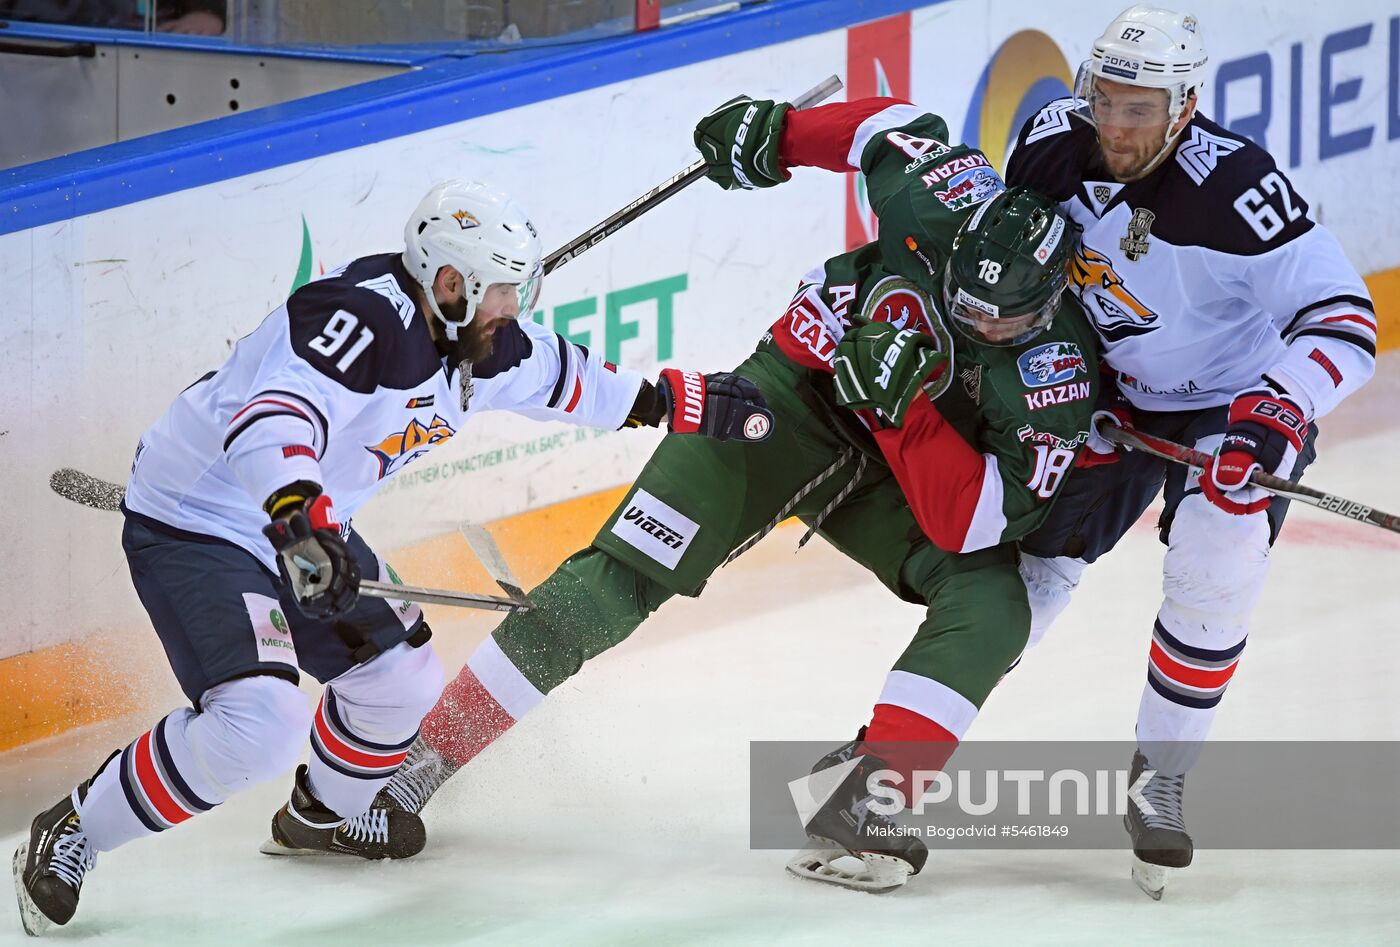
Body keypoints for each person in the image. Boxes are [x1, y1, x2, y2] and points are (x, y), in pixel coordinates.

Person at [371, 100, 1103, 891]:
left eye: (1003, 321)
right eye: (964, 303)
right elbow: (888, 127)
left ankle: (869, 797)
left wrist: (907, 415)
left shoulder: (1054, 378)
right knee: (614, 581)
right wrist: (780, 136)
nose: (979, 325)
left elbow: (971, 522)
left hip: (901, 474)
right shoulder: (938, 194)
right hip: (781, 405)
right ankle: (417, 764)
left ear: (1052, 301)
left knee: (993, 606)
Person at [10, 179, 771, 935]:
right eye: (503, 291)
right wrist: (299, 529)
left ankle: (321, 815)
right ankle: (76, 825)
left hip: (305, 523)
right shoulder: (357, 319)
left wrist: (687, 402)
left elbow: (572, 380)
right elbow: (267, 421)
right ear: (449, 283)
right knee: (260, 722)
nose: (516, 308)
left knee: (402, 680)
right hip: (207, 516)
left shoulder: (480, 340)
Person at [1002, 5, 1376, 898]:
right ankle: (902, 749)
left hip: (1227, 407)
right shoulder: (1049, 142)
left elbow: (1346, 317)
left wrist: (1274, 414)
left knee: (1222, 556)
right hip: (1104, 394)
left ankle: (1159, 777)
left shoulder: (1237, 189)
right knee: (1029, 572)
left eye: (1142, 109)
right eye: (1107, 100)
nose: (1118, 125)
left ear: (1185, 106)